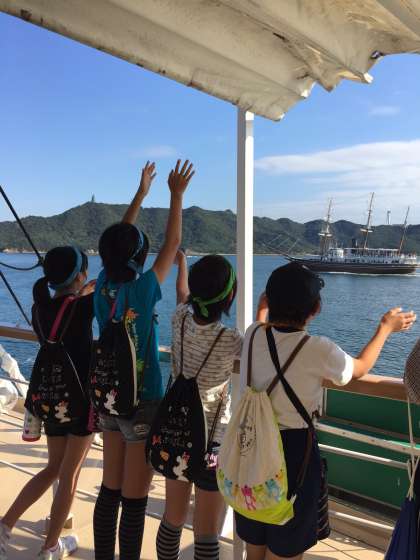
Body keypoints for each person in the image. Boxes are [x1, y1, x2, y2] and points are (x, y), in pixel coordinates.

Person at [236, 262, 416, 560]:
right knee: (285, 548)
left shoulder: (254, 334)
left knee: (254, 546)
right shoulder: (317, 349)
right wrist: (385, 328)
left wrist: (262, 309)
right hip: (293, 455)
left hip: (250, 448)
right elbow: (359, 368)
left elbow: (261, 326)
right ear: (316, 308)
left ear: (269, 299)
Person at [93, 159, 194, 560]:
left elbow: (119, 242)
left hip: (108, 397)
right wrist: (176, 195)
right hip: (143, 400)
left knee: (109, 490)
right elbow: (173, 243)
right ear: (139, 257)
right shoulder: (144, 290)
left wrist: (140, 195)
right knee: (134, 501)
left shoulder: (102, 285)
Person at [0, 246, 95, 560]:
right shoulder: (83, 307)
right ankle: (51, 546)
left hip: (51, 400)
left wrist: (81, 291)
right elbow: (113, 276)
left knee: (52, 468)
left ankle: (5, 525)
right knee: (69, 476)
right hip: (79, 402)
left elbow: (65, 306)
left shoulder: (39, 307)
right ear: (81, 276)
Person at [156, 254, 242, 560]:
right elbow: (260, 351)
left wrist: (182, 264)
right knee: (206, 531)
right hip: (211, 441)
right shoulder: (231, 339)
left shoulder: (179, 318)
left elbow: (181, 294)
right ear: (229, 297)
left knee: (173, 518)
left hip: (176, 430)